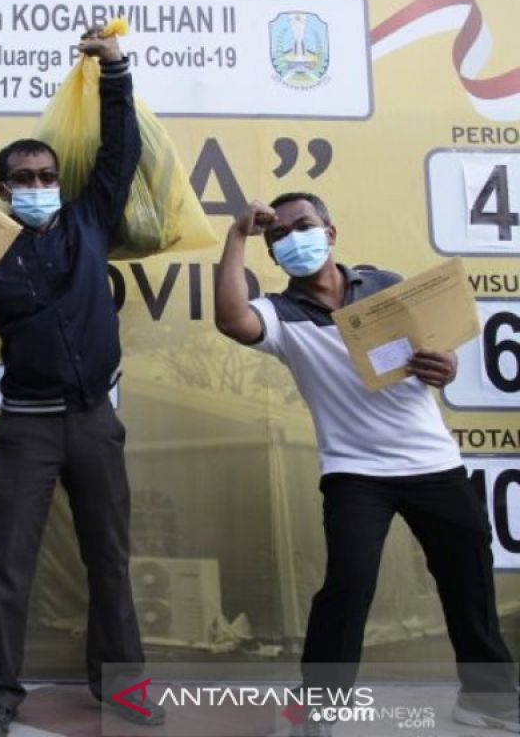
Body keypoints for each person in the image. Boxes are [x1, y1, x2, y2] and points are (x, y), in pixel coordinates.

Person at [0, 29, 163, 736]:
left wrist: (113, 70)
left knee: (109, 557)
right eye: (23, 178)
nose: (38, 187)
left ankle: (122, 686)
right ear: (2, 188)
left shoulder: (88, 219)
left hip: (93, 422)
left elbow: (122, 149)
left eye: (46, 176)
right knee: (7, 566)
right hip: (25, 426)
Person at [214, 192, 519, 734]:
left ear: (330, 233)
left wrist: (443, 366)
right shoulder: (278, 314)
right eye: (277, 235)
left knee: (467, 580)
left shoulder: (387, 286)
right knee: (348, 586)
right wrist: (237, 235)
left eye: (302, 226)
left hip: (434, 463)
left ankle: (487, 698)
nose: (291, 239)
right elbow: (232, 319)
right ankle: (320, 710)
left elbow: (439, 355)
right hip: (356, 474)